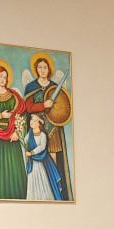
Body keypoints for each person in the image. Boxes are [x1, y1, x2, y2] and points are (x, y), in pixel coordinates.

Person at [23, 51, 72, 201]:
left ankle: (54, 190)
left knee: (53, 158)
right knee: (39, 159)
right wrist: (44, 105)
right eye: (40, 67)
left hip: (53, 126)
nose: (42, 70)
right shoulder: (31, 87)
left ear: (48, 69)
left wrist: (54, 106)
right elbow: (29, 108)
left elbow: (62, 107)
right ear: (36, 69)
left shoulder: (53, 87)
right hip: (37, 126)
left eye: (45, 67)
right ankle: (41, 191)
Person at [0, 61, 26, 200]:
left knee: (15, 170)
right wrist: (1, 115)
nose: (3, 80)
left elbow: (21, 114)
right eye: (0, 76)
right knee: (0, 171)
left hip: (12, 137)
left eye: (5, 77)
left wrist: (17, 132)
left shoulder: (13, 95)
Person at [22, 113, 62, 201]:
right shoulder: (30, 133)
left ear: (39, 124)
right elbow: (24, 142)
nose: (31, 122)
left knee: (42, 178)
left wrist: (32, 153)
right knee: (32, 178)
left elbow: (42, 147)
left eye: (34, 120)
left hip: (41, 161)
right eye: (31, 119)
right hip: (32, 161)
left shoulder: (43, 135)